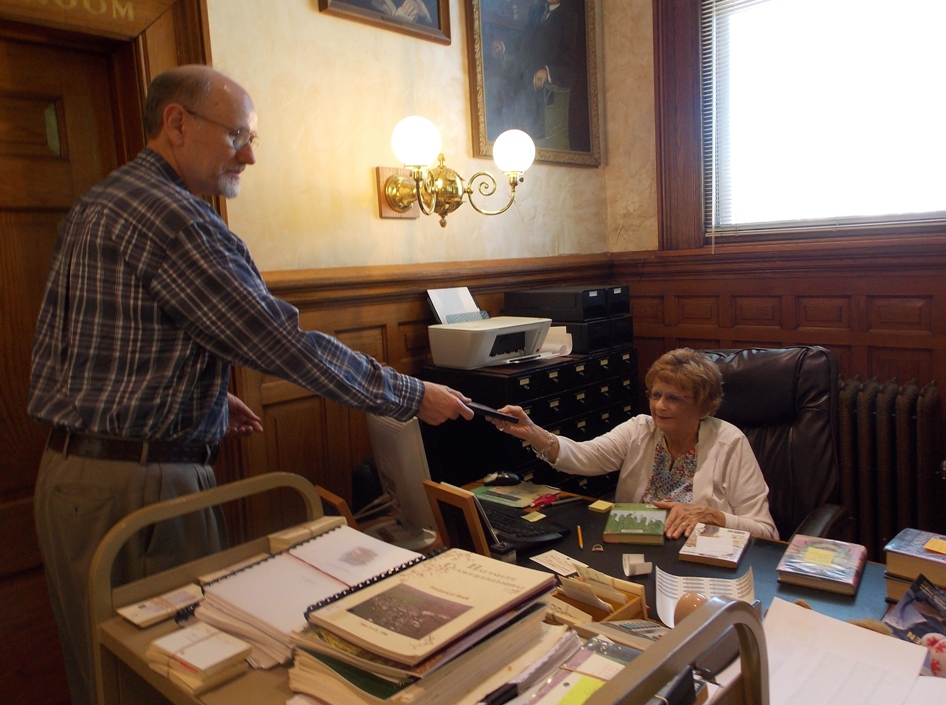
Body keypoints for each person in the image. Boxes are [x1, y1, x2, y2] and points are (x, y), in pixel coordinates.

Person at [28, 64, 472, 705]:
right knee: (166, 677)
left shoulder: (102, 202)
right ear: (177, 123)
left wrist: (206, 397)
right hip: (139, 490)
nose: (250, 156)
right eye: (238, 135)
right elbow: (280, 343)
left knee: (100, 673)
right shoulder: (177, 219)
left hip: (71, 478)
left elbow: (99, 347)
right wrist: (410, 395)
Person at [488, 348, 778, 541]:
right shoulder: (640, 428)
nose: (659, 406)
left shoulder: (730, 442)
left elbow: (766, 532)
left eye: (673, 398)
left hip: (697, 556)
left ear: (704, 406)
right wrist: (532, 432)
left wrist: (714, 516)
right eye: (656, 395)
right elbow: (585, 456)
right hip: (632, 546)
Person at [489, 0, 580, 143]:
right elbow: (522, 39)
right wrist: (503, 46)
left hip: (539, 89)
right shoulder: (537, 12)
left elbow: (570, 66)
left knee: (520, 106)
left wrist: (548, 71)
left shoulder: (567, 20)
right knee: (493, 86)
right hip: (519, 77)